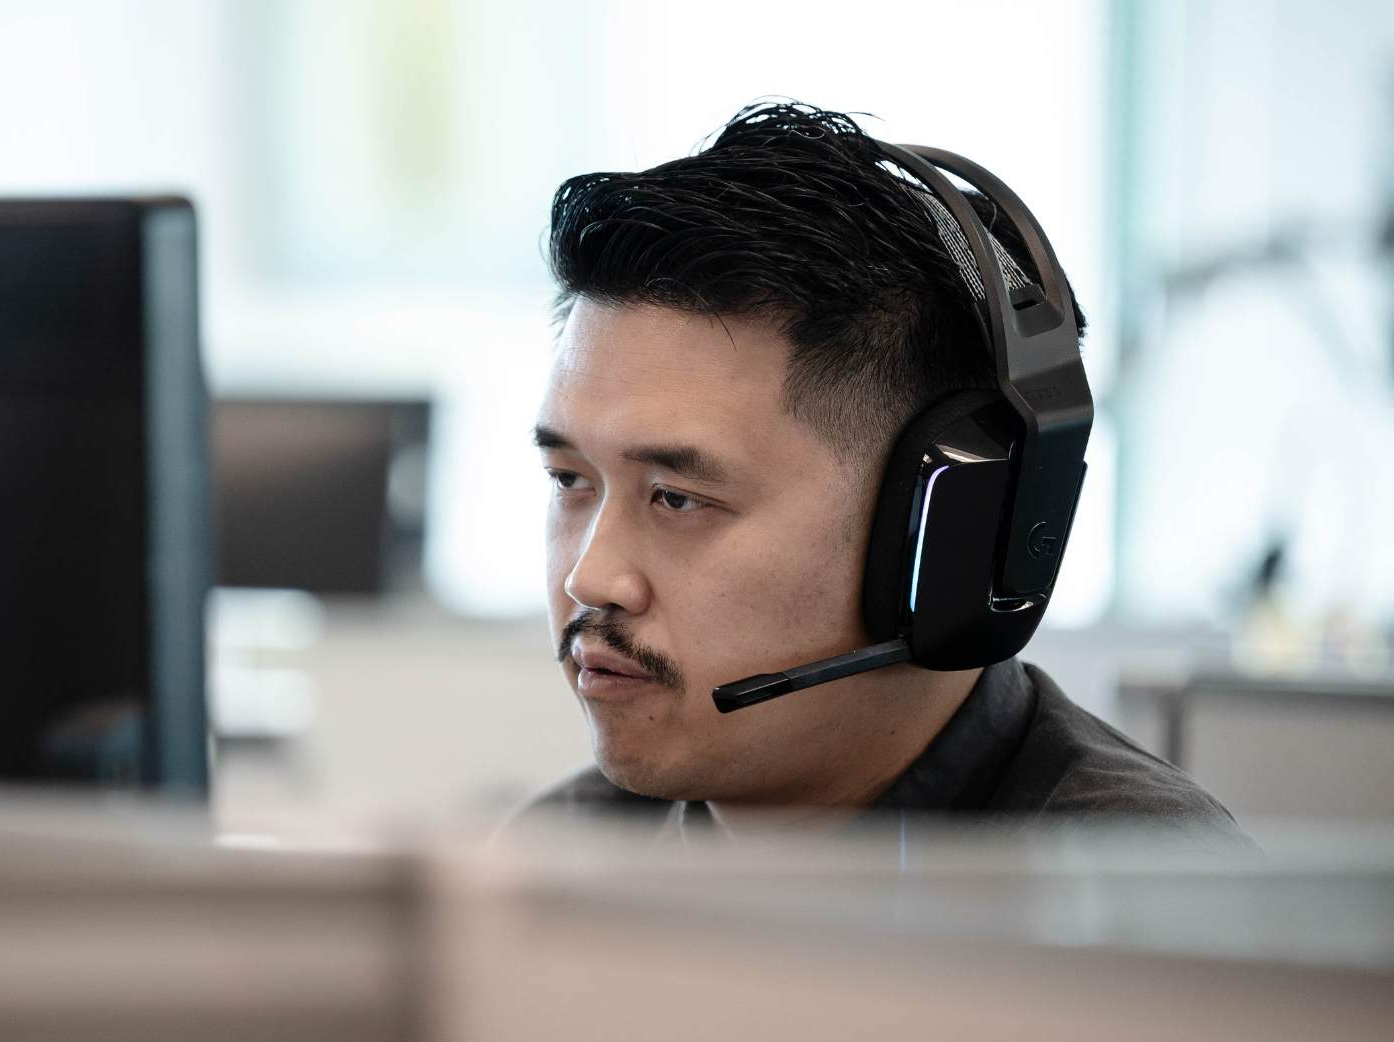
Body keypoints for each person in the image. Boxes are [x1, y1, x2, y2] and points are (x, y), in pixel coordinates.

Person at [523, 101, 1246, 846]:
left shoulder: (1147, 910)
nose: (590, 578)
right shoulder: (553, 863)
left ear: (948, 544)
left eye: (677, 497)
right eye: (569, 481)